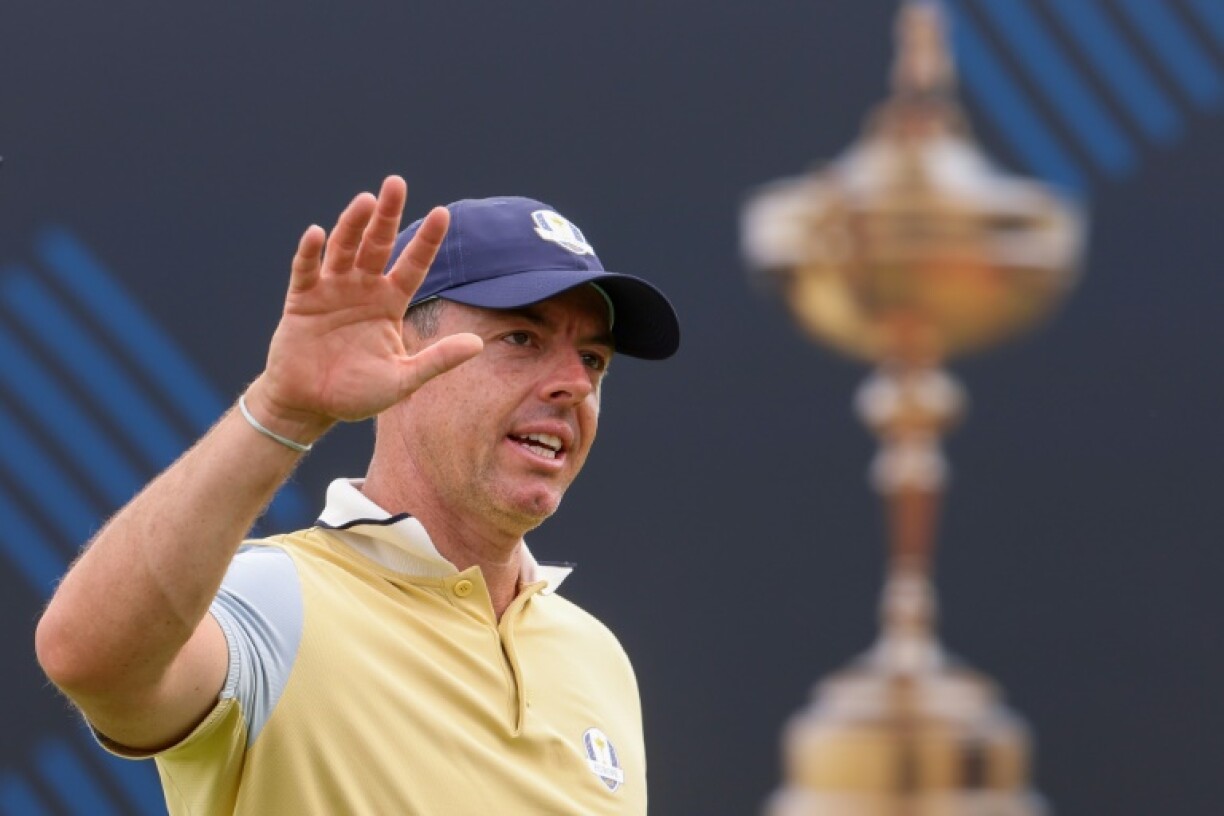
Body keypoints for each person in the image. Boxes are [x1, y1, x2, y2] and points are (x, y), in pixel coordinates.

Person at [35, 176, 680, 814]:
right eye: (522, 339)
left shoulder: (598, 658)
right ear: (399, 346)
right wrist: (281, 412)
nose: (573, 382)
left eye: (593, 360)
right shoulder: (278, 601)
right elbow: (87, 658)